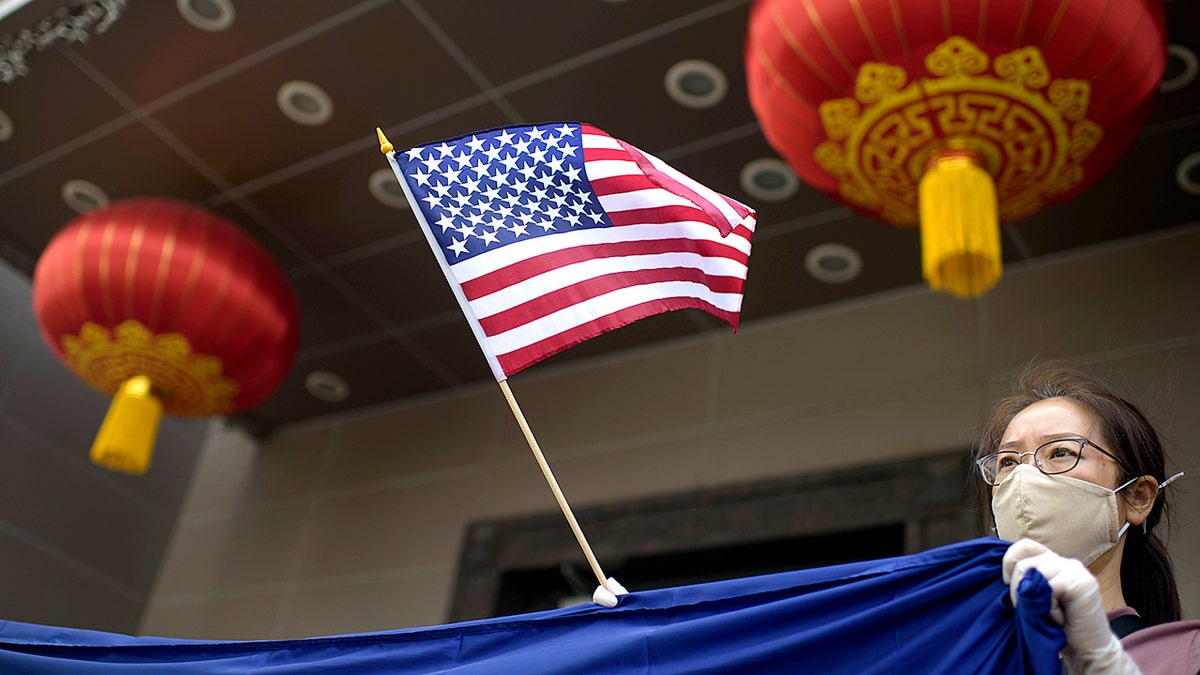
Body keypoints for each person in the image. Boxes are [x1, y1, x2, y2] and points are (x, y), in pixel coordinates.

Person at [973, 360, 1198, 674]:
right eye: (1008, 462)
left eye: (1060, 453)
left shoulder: (1187, 656)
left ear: (1138, 497)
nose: (1025, 478)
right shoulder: (976, 663)